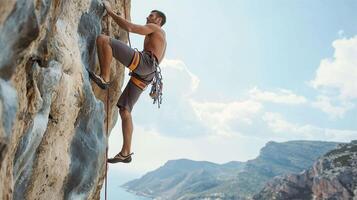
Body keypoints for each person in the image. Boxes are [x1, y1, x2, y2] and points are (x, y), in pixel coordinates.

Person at [89, 0, 167, 163]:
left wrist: (110, 12)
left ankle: (105, 77)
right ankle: (126, 152)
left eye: (151, 15)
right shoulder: (162, 39)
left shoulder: (156, 28)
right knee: (125, 110)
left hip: (145, 64)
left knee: (104, 40)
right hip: (149, 73)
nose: (148, 17)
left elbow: (131, 28)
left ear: (159, 20)